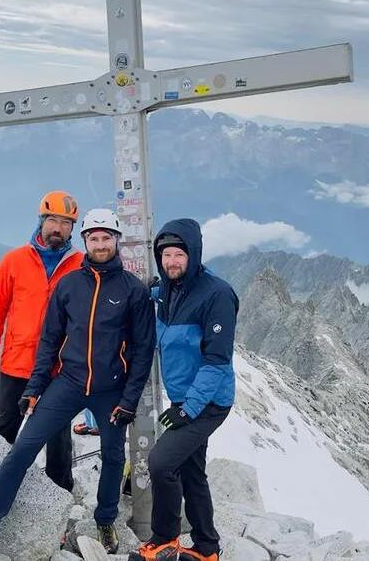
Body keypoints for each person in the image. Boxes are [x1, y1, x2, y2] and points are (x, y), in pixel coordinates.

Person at [0, 208, 156, 560]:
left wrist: (129, 398)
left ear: (117, 241)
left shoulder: (132, 291)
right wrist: (34, 388)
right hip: (68, 382)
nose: (100, 244)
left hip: (111, 389)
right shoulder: (68, 285)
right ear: (85, 242)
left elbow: (142, 351)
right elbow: (50, 341)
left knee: (112, 456)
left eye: (106, 237)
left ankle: (105, 519)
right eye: (93, 238)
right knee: (22, 449)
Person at [130, 218, 238, 561]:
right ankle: (207, 548)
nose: (171, 261)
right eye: (165, 255)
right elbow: (150, 297)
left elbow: (216, 362)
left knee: (162, 463)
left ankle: (164, 540)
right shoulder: (167, 292)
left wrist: (187, 408)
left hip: (208, 401)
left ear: (194, 254)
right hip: (184, 398)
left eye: (179, 254)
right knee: (192, 471)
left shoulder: (217, 295)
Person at [0, 190, 83, 490]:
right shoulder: (14, 261)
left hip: (59, 371)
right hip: (15, 367)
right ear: (41, 221)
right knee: (3, 437)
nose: (57, 228)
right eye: (52, 220)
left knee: (59, 444)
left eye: (65, 222)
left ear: (73, 228)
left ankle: (59, 505)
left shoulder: (81, 267)